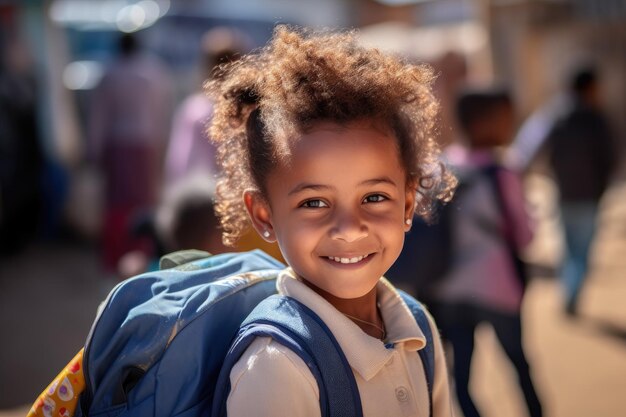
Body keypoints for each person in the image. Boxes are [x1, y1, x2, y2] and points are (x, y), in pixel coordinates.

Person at [206, 26, 456, 416]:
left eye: (374, 197)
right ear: (264, 215)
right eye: (315, 202)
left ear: (408, 203)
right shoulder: (278, 367)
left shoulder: (419, 328)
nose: (350, 227)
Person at [429, 89, 543, 417]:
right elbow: (524, 238)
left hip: (448, 289)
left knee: (461, 378)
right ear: (488, 123)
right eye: (507, 117)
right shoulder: (503, 173)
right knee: (519, 364)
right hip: (497, 288)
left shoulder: (441, 166)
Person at [88, 32, 172, 272]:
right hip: (147, 145)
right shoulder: (154, 72)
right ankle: (144, 253)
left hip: (117, 145)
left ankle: (116, 255)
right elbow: (162, 113)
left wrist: (94, 151)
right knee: (144, 202)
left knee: (117, 205)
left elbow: (99, 116)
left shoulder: (110, 73)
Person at [541, 67, 617, 316]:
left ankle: (569, 293)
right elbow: (609, 159)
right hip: (589, 197)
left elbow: (547, 153)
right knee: (582, 252)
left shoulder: (557, 117)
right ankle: (572, 295)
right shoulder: (596, 120)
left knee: (568, 249)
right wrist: (601, 186)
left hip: (564, 194)